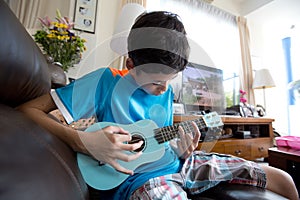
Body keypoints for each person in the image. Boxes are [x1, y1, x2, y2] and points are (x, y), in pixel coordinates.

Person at [17, 11, 298, 200]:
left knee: (280, 178)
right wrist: (83, 141)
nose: (163, 90)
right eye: (155, 83)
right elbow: (27, 110)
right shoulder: (103, 82)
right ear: (130, 65)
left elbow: (155, 142)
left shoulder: (164, 92)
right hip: (139, 182)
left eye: (170, 81)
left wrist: (182, 147)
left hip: (182, 165)